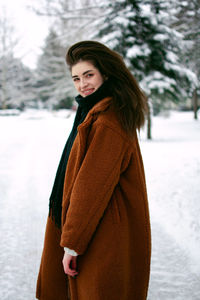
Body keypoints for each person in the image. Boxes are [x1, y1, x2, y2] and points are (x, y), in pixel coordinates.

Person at [36, 40, 151, 300]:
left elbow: (91, 188)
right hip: (98, 229)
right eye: (76, 78)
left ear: (106, 73)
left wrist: (73, 246)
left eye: (89, 75)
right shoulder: (95, 112)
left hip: (103, 235)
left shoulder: (108, 120)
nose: (82, 84)